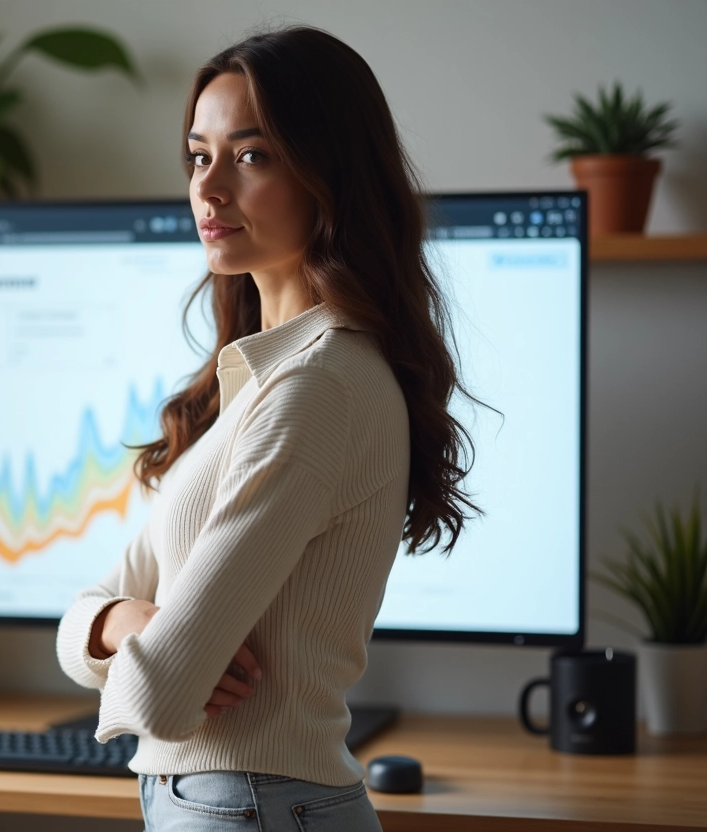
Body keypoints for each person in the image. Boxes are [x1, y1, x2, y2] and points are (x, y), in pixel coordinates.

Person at [55, 25, 480, 832]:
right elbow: (94, 616)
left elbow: (161, 695)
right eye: (198, 155)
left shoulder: (318, 388)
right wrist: (123, 622)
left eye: (252, 156)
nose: (208, 190)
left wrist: (132, 645)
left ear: (330, 176)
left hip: (247, 805)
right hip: (238, 803)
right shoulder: (260, 382)